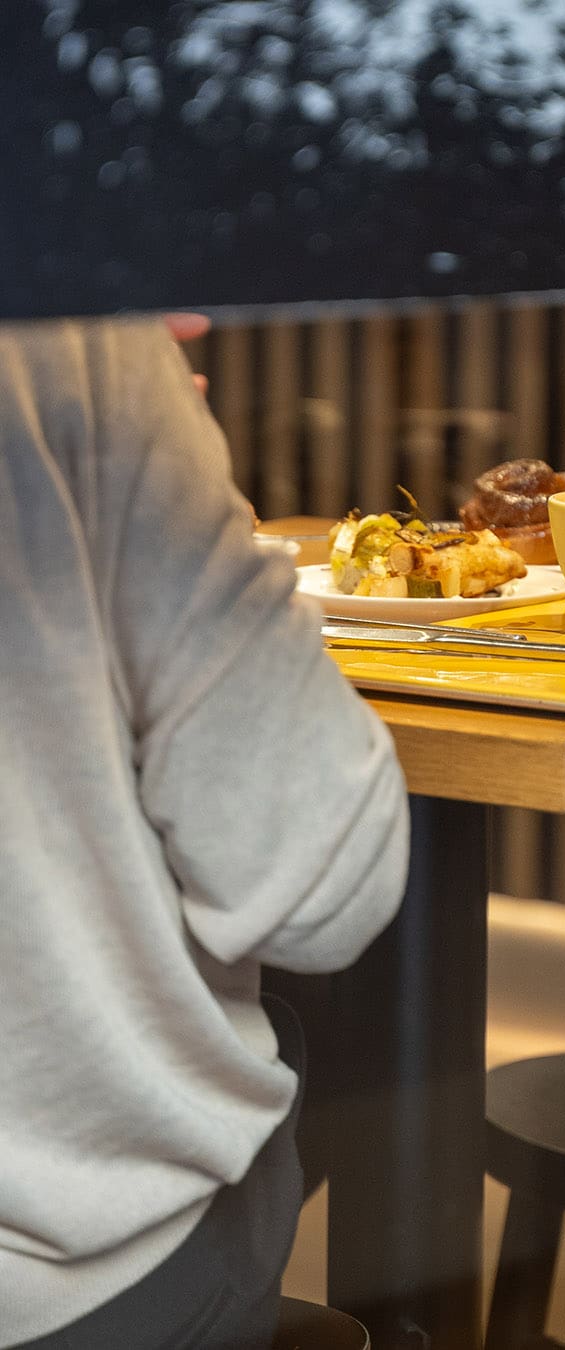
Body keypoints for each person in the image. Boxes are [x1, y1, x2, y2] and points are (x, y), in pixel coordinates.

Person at [0, 317, 410, 1347]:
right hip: (66, 1286)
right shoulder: (67, 315)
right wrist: (158, 434)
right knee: (311, 1025)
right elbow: (326, 883)